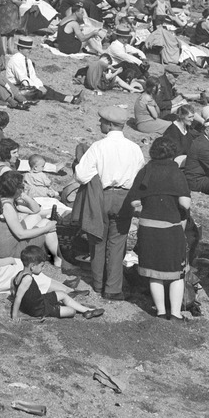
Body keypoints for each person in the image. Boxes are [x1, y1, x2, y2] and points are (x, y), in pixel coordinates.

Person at [73, 106, 146, 300]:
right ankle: (113, 288)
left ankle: (98, 283)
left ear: (110, 124)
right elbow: (140, 174)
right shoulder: (134, 148)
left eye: (102, 122)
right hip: (125, 197)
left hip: (102, 195)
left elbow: (81, 175)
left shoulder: (99, 146)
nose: (100, 124)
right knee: (117, 242)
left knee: (97, 240)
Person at [125, 136, 192, 320]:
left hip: (148, 226)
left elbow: (135, 200)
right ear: (173, 153)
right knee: (176, 273)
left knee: (155, 272)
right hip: (170, 227)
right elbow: (185, 203)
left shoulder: (146, 170)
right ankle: (176, 314)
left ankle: (161, 311)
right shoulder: (176, 172)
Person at [0, 170, 66, 268]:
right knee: (46, 223)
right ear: (16, 188)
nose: (24, 188)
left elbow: (36, 210)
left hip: (7, 245)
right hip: (11, 252)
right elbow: (21, 235)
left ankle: (50, 252)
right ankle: (58, 260)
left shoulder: (4, 200)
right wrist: (47, 228)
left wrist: (23, 195)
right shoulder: (7, 206)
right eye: (22, 186)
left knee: (35, 217)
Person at [10, 245, 104, 321]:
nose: (42, 269)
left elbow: (14, 290)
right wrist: (15, 316)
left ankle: (88, 310)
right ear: (32, 266)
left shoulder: (19, 275)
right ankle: (62, 308)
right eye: (41, 266)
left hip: (40, 300)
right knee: (71, 312)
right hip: (39, 309)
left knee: (62, 294)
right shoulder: (27, 279)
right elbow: (18, 297)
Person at [6, 36, 81, 103]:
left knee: (45, 88)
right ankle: (69, 99)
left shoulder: (27, 60)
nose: (29, 50)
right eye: (27, 48)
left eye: (30, 48)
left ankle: (68, 98)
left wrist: (40, 85)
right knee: (40, 92)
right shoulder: (15, 60)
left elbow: (32, 76)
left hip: (24, 85)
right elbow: (23, 78)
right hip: (15, 88)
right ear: (20, 48)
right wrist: (37, 87)